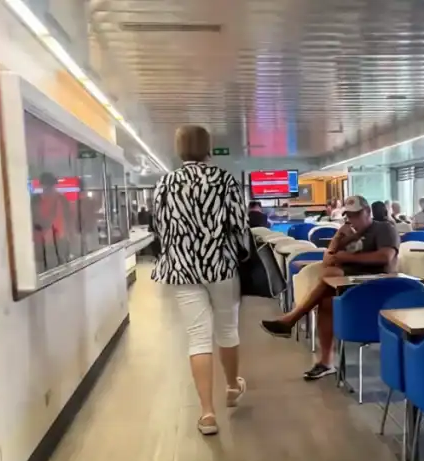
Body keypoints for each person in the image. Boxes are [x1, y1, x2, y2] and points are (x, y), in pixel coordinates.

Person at [151, 125, 248, 436]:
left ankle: (207, 414)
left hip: (183, 269)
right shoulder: (225, 180)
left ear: (179, 148)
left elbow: (161, 229)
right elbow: (239, 225)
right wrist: (239, 255)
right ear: (209, 148)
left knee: (197, 337)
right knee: (227, 328)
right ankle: (232, 387)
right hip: (221, 266)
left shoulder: (165, 183)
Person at [260, 196, 400, 379]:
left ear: (368, 212)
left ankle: (292, 318)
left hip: (378, 285)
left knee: (331, 276)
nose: (353, 219)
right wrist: (338, 238)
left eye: (357, 214)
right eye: (349, 215)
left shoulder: (384, 228)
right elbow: (328, 261)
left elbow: (385, 257)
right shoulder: (348, 234)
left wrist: (346, 258)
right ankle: (325, 362)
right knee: (326, 299)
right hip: (349, 286)